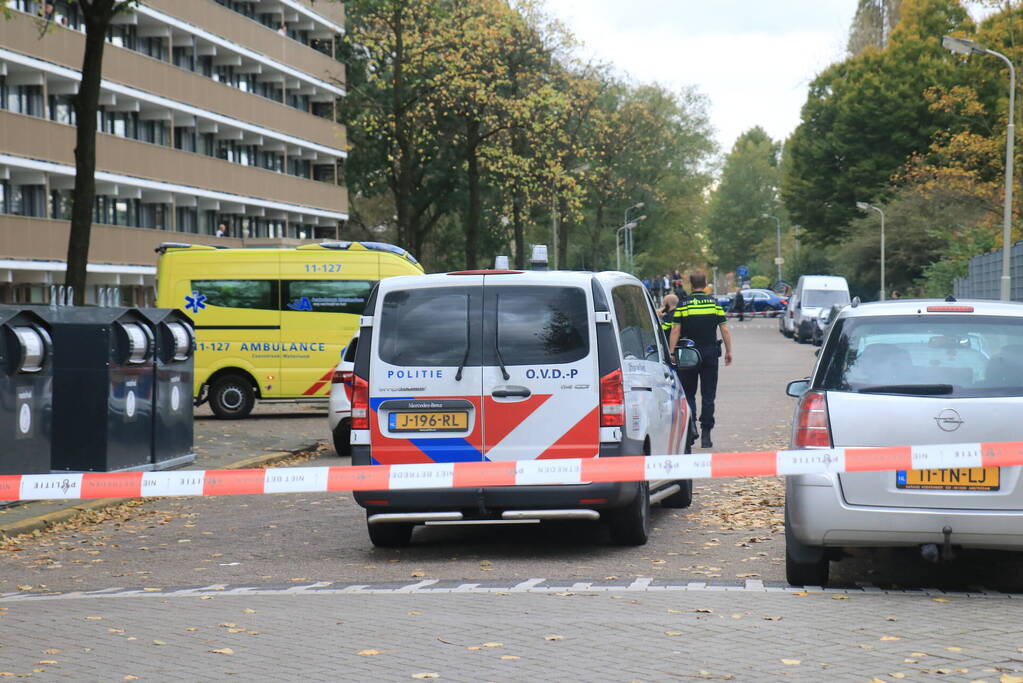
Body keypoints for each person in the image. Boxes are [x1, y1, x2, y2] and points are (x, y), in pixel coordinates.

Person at [669, 270, 733, 449]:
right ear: (705, 284)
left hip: (688, 354)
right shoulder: (714, 303)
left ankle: (691, 428)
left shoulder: (684, 304)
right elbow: (725, 329)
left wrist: (671, 352)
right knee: (708, 395)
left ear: (690, 284)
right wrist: (729, 351)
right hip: (710, 354)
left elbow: (675, 330)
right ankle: (706, 434)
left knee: (688, 393)